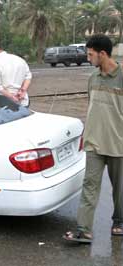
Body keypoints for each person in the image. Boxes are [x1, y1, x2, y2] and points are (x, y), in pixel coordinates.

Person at [63, 34, 123, 244]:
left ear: (103, 54)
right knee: (90, 185)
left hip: (119, 145)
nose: (88, 59)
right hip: (94, 143)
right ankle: (84, 229)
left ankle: (120, 221)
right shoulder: (93, 78)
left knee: (120, 189)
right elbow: (92, 108)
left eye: (90, 55)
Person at [0, 41, 32, 107]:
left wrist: (12, 97)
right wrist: (23, 90)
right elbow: (28, 76)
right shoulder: (19, 60)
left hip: (5, 104)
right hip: (23, 101)